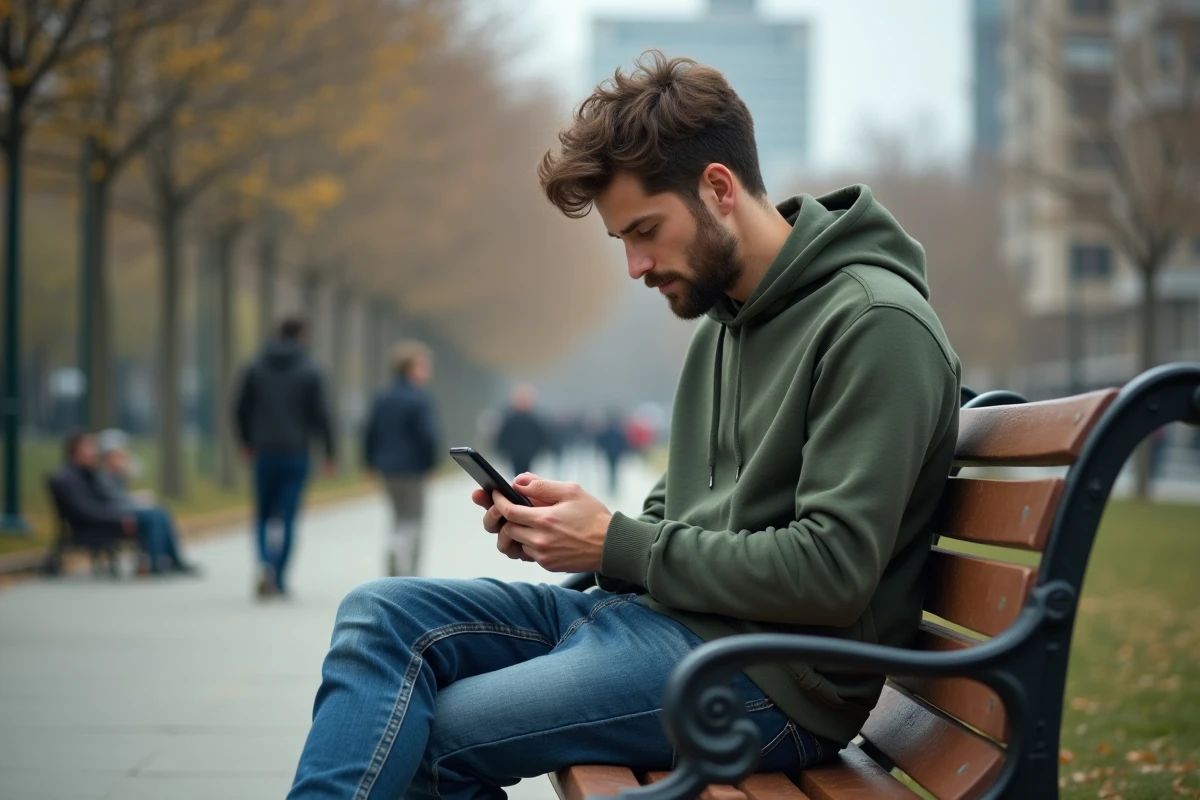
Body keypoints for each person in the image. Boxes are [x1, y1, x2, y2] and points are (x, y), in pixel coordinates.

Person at [288, 52, 961, 799]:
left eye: (646, 230)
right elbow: (671, 517)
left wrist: (615, 541)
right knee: (379, 613)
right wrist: (567, 529)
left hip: (767, 682)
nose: (637, 266)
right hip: (658, 626)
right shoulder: (721, 325)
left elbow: (833, 571)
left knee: (433, 734)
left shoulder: (874, 324)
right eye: (622, 242)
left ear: (718, 188)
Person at [234, 316, 336, 598]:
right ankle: (278, 576)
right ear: (302, 336)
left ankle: (265, 564)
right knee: (289, 517)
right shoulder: (310, 370)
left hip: (264, 451)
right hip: (296, 452)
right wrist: (329, 453)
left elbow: (240, 408)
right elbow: (322, 415)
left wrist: (246, 441)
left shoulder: (255, 367)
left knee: (264, 515)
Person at [363, 341, 439, 577]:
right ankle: (408, 570)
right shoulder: (419, 399)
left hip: (386, 468)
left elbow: (370, 431)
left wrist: (369, 462)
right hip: (413, 469)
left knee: (397, 517)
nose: (427, 371)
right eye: (423, 366)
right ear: (410, 368)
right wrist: (430, 463)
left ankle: (395, 552)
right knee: (414, 519)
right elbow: (428, 436)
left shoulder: (382, 396)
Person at [94, 428, 197, 575]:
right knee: (155, 515)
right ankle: (155, 562)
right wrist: (135, 499)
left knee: (162, 511)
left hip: (123, 509)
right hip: (116, 514)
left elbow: (138, 472)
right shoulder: (101, 475)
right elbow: (112, 499)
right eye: (118, 455)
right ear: (107, 456)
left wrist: (127, 475)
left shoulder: (114, 473)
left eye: (123, 454)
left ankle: (173, 559)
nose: (123, 458)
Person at [50, 430, 140, 556]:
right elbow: (86, 510)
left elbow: (105, 497)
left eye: (94, 447)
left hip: (99, 521)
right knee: (149, 518)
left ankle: (160, 559)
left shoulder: (85, 472)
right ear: (75, 450)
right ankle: (157, 561)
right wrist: (120, 517)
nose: (95, 452)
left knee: (153, 515)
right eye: (89, 447)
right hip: (89, 528)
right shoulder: (69, 478)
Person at [494, 384, 551, 477]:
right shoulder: (510, 418)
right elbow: (503, 435)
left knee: (526, 474)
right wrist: (502, 449)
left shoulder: (534, 418)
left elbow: (541, 435)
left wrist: (540, 449)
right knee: (517, 475)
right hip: (514, 453)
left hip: (529, 453)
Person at [594, 412, 629, 494]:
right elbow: (624, 443)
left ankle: (611, 485)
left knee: (610, 469)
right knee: (615, 470)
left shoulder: (606, 431)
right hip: (616, 453)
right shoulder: (619, 431)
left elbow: (600, 441)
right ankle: (614, 485)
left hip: (609, 453)